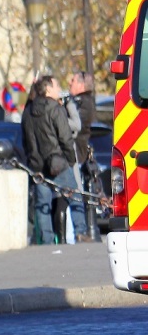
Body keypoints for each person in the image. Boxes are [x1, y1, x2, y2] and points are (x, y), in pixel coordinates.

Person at [21, 75, 77, 245]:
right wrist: (71, 160)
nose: (59, 88)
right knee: (70, 193)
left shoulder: (28, 110)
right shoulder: (54, 108)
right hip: (58, 162)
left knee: (42, 205)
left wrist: (32, 158)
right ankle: (61, 233)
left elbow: (24, 139)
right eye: (56, 85)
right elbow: (65, 137)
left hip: (37, 165)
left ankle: (47, 241)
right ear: (47, 89)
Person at [67, 71, 97, 242]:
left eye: (73, 80)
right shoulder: (81, 102)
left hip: (76, 152)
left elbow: (77, 125)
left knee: (75, 189)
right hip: (75, 152)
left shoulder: (84, 103)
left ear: (81, 85)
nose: (70, 83)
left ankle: (79, 231)